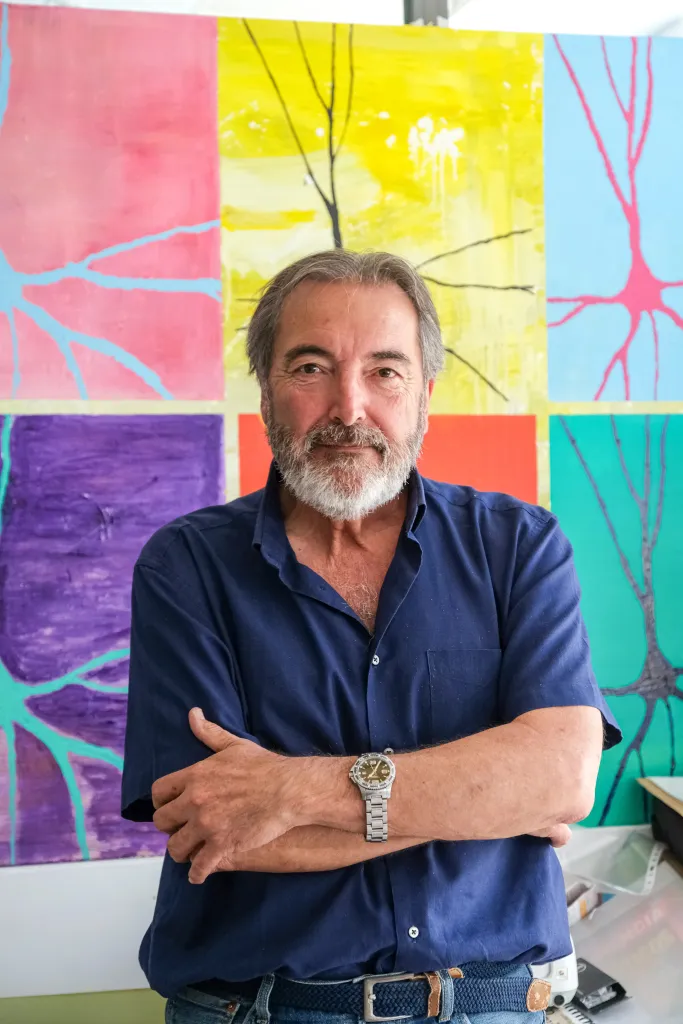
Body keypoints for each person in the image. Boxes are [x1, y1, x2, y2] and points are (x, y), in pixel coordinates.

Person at [122, 250, 622, 1024]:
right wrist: (486, 802)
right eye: (310, 368)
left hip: (489, 1004)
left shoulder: (518, 546)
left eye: (384, 371)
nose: (348, 407)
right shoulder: (186, 566)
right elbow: (220, 827)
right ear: (266, 391)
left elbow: (560, 780)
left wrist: (292, 792)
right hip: (260, 1010)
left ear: (424, 392)